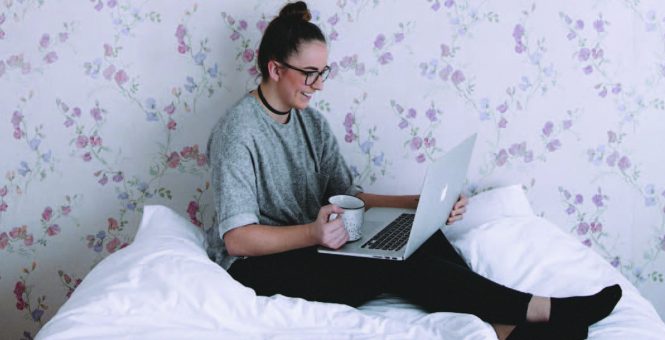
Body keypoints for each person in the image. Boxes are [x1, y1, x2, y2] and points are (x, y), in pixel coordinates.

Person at [206, 2, 621, 339]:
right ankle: (540, 310)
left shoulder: (310, 122)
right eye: (310, 74)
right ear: (276, 69)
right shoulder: (238, 132)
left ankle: (506, 326)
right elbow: (238, 239)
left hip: (312, 242)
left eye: (323, 73)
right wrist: (313, 234)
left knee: (415, 235)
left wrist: (416, 206)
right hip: (259, 267)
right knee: (394, 261)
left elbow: (346, 194)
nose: (318, 85)